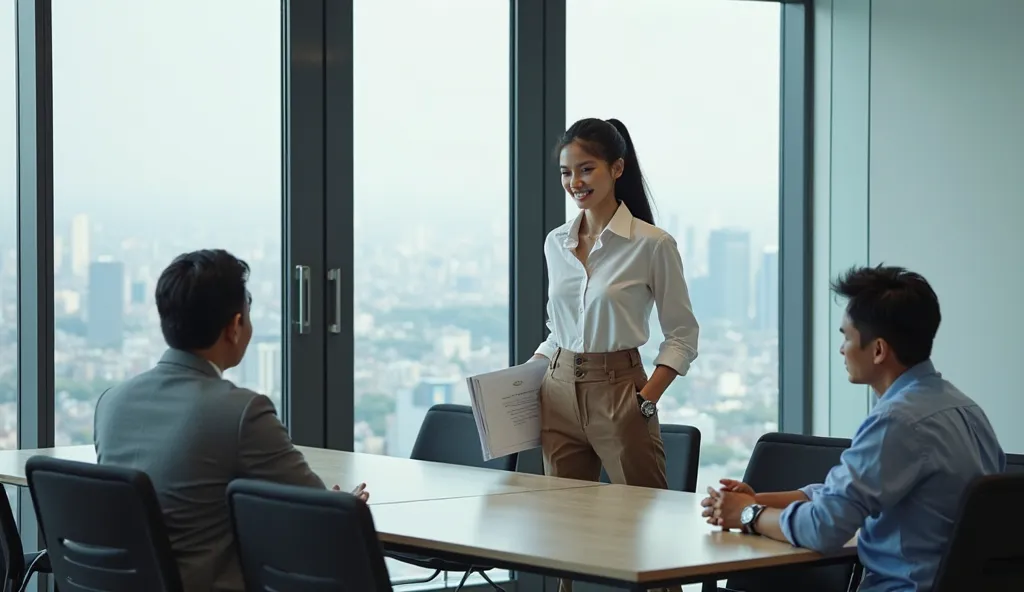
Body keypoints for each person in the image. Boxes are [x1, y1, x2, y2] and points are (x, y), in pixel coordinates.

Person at [702, 264, 1005, 592]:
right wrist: (758, 500)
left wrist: (750, 514)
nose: (841, 349)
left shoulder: (897, 421)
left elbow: (824, 528)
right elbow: (845, 496)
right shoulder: (967, 411)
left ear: (878, 350)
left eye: (846, 337)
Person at [93, 249, 368, 592]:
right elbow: (319, 516)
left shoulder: (111, 402)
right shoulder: (241, 412)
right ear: (235, 326)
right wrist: (344, 506)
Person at [532, 118, 698, 592]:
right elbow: (557, 329)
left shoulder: (652, 244)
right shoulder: (555, 244)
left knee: (647, 533)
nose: (574, 183)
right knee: (566, 538)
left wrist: (644, 401)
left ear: (616, 169)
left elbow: (682, 335)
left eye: (586, 170)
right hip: (558, 390)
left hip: (621, 391)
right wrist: (528, 378)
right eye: (566, 173)